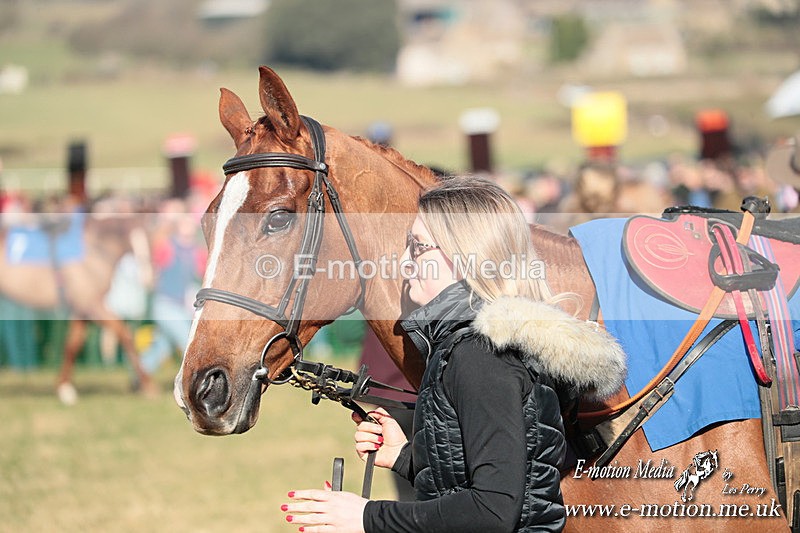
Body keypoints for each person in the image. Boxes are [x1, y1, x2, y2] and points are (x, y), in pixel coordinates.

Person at [281, 176, 626, 532]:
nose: (404, 262)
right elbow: (493, 479)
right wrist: (406, 457)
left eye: (418, 248)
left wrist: (366, 517)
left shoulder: (481, 355)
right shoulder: (464, 346)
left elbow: (494, 511)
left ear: (466, 257)